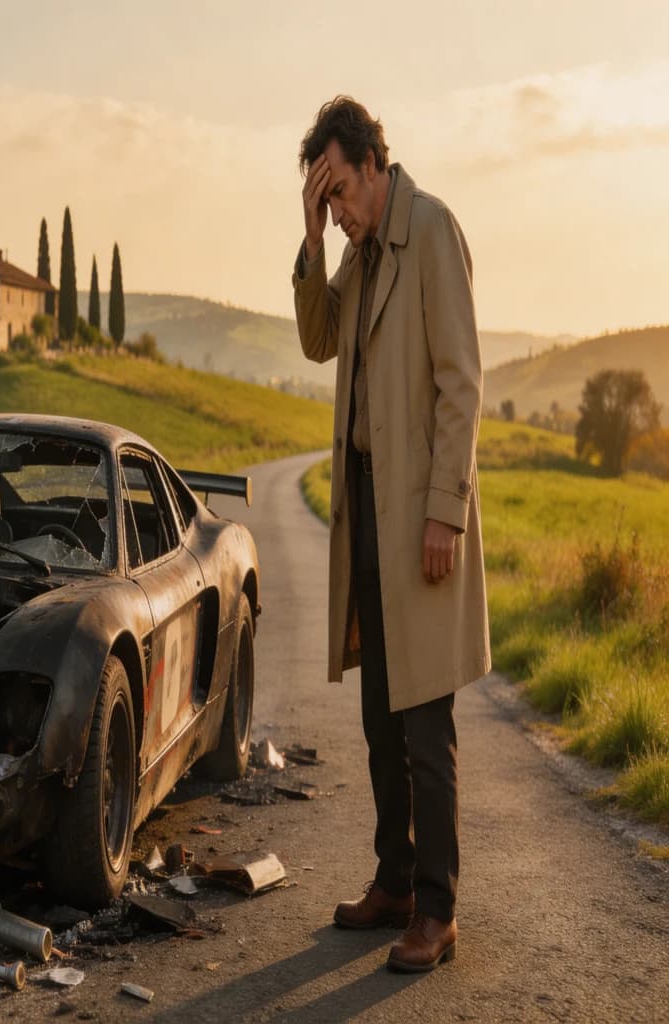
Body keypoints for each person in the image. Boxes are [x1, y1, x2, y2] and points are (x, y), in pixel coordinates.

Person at [292, 96, 490, 973]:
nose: (336, 209)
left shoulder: (431, 231)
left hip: (420, 514)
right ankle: (396, 881)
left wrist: (447, 508)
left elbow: (461, 384)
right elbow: (317, 340)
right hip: (365, 509)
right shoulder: (357, 254)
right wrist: (311, 240)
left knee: (424, 718)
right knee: (380, 711)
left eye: (337, 191)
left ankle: (438, 911)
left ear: (372, 163)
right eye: (324, 199)